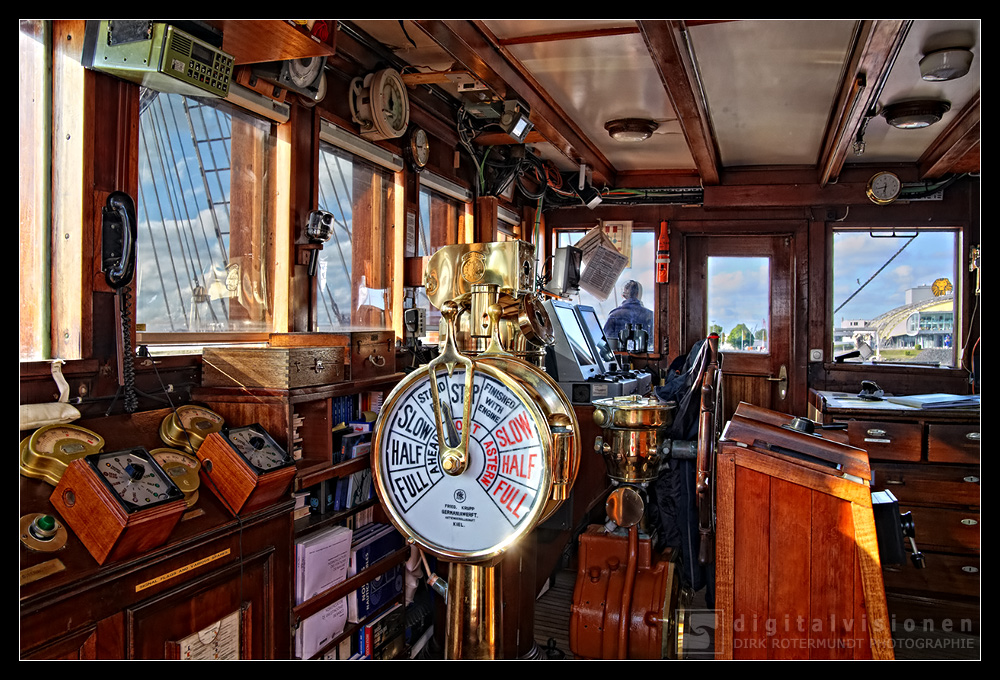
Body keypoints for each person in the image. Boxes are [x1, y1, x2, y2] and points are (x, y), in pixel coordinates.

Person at [602, 280, 653, 350]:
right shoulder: (650, 315)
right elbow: (651, 343)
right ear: (638, 294)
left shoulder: (613, 315)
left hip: (619, 359)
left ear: (623, 295)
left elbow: (605, 343)